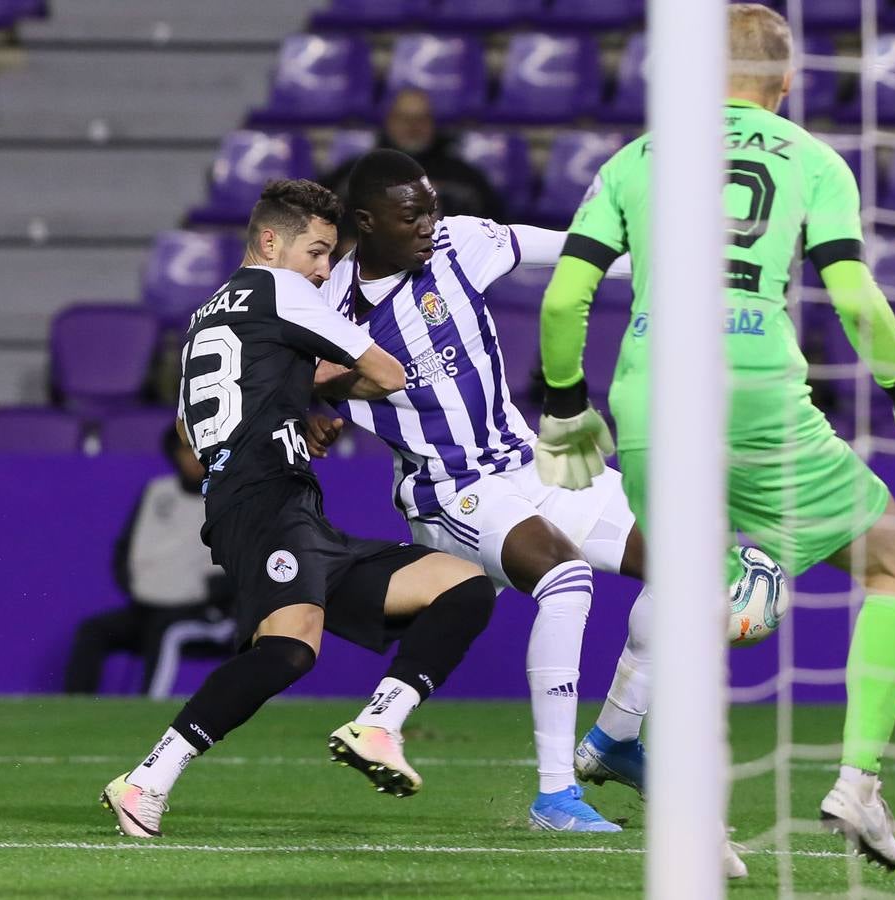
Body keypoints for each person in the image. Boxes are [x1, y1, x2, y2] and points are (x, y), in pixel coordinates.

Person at [535, 3, 895, 871]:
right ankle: (856, 779)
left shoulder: (632, 160)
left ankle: (695, 808)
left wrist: (566, 407)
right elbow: (852, 297)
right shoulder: (813, 158)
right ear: (786, 82)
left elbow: (560, 299)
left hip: (649, 393)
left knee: (684, 605)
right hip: (757, 390)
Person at [308, 149, 750, 876]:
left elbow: (580, 255)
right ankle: (555, 792)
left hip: (532, 464)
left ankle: (613, 739)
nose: (429, 223)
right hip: (449, 492)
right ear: (366, 221)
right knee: (567, 580)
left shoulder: (460, 245)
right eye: (412, 213)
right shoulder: (332, 308)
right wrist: (309, 405)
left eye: (431, 207)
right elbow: (288, 374)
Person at [100, 179, 496, 838]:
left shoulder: (205, 319)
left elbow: (192, 434)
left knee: (462, 587)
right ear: (269, 241)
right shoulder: (278, 290)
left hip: (272, 503)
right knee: (287, 651)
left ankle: (381, 721)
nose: (322, 269)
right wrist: (335, 389)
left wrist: (292, 412)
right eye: (315, 251)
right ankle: (147, 780)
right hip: (266, 502)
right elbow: (387, 372)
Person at [64, 427, 234, 697]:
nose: (193, 458)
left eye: (201, 450)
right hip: (147, 609)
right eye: (185, 451)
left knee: (167, 632)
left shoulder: (233, 496)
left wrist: (218, 595)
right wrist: (134, 583)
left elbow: (247, 562)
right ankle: (70, 711)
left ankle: (147, 711)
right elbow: (126, 547)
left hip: (208, 615)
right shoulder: (157, 491)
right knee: (92, 631)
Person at [319, 87, 504, 252]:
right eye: (404, 118)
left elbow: (496, 232)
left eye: (420, 118)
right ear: (389, 121)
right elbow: (319, 221)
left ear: (432, 123)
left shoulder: (465, 179)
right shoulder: (354, 175)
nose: (412, 126)